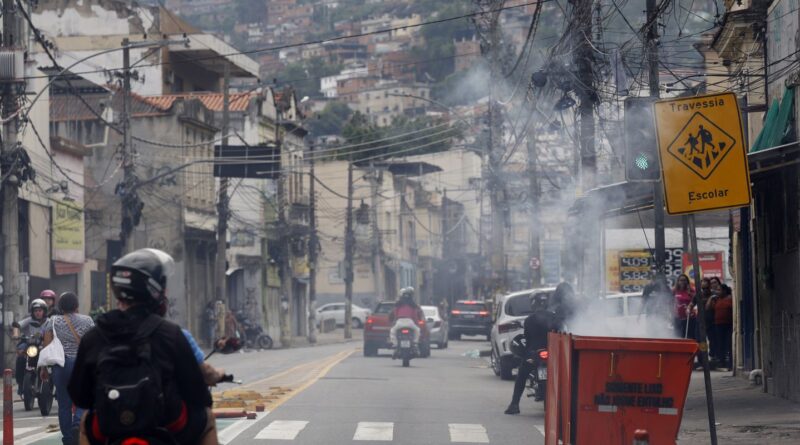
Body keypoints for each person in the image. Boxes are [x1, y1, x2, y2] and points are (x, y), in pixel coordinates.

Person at [68, 248, 219, 445]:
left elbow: (80, 396)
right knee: (207, 418)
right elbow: (198, 393)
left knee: (86, 423)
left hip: (111, 428)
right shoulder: (170, 334)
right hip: (167, 425)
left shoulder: (94, 337)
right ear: (155, 290)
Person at [42, 292, 94, 445]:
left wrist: (44, 367)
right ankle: (77, 423)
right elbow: (93, 342)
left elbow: (47, 344)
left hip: (60, 365)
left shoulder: (53, 320)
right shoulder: (87, 320)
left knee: (63, 404)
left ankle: (67, 439)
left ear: (60, 306)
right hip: (81, 365)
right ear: (76, 306)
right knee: (82, 400)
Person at [505, 294, 561, 415]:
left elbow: (527, 338)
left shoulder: (529, 320)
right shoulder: (554, 317)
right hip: (553, 354)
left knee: (521, 376)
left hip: (534, 354)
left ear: (534, 304)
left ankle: (514, 404)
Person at [13, 299, 48, 395]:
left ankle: (55, 385)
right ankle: (20, 384)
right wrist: (16, 334)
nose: (37, 313)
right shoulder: (29, 320)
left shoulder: (49, 321)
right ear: (32, 312)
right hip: (30, 346)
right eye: (35, 311)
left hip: (44, 346)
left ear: (44, 311)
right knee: (20, 359)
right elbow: (17, 325)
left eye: (40, 310)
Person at [388, 287, 424, 359]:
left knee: (392, 331)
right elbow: (415, 316)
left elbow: (394, 314)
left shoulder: (398, 305)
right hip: (410, 322)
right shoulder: (413, 305)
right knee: (417, 330)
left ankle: (395, 344)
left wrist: (393, 322)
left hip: (400, 322)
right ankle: (415, 343)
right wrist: (417, 324)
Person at [708, 284, 733, 370]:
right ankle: (722, 363)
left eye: (719, 290)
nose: (717, 292)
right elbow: (708, 308)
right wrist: (711, 298)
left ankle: (730, 363)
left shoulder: (730, 299)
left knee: (729, 344)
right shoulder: (717, 299)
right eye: (717, 290)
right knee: (720, 344)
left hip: (728, 325)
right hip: (718, 325)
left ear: (725, 291)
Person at [672, 274, 693, 338]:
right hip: (677, 317)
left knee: (688, 336)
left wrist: (690, 293)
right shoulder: (674, 290)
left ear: (687, 281)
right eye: (681, 280)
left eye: (684, 280)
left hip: (689, 318)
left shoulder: (691, 290)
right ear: (678, 281)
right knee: (677, 335)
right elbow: (670, 301)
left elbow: (695, 301)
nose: (682, 282)